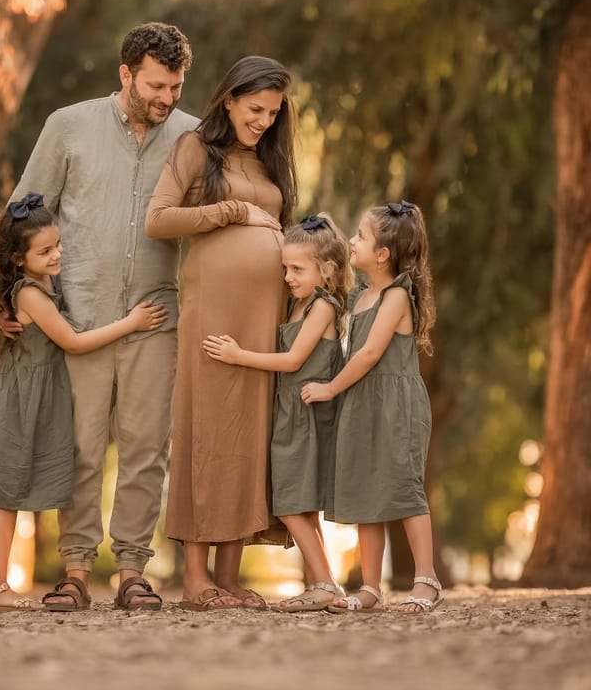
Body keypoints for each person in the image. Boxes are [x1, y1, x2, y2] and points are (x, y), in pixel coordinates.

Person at [8, 23, 196, 611]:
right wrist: (7, 296)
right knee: (82, 448)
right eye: (156, 85)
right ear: (126, 75)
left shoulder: (193, 137)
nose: (167, 98)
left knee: (147, 448)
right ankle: (75, 572)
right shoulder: (68, 126)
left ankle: (134, 570)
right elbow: (24, 214)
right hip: (79, 318)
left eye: (176, 86)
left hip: (158, 317)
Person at [0, 193, 167, 611]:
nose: (57, 255)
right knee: (3, 497)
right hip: (17, 406)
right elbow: (72, 341)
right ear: (19, 259)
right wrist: (131, 323)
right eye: (46, 250)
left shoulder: (21, 288)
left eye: (57, 245)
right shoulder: (31, 295)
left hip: (5, 398)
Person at [146, 55, 297, 611]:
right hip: (213, 309)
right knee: (207, 429)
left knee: (249, 433)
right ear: (229, 99)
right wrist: (231, 211)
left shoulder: (268, 161)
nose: (262, 120)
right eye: (255, 109)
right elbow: (159, 219)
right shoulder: (195, 149)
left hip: (264, 315)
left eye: (272, 113)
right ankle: (194, 580)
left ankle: (229, 577)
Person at [202, 212, 352, 612]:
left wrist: (237, 355)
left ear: (327, 270)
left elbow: (293, 361)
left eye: (297, 269)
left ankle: (323, 583)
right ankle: (327, 584)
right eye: (285, 267)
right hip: (289, 414)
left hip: (305, 416)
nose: (288, 277)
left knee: (289, 506)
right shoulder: (299, 304)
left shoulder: (322, 306)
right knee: (299, 505)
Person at [301, 200, 442, 614]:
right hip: (363, 400)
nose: (352, 241)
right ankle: (370, 586)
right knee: (366, 490)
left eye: (360, 236)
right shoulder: (364, 293)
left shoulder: (398, 294)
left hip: (395, 404)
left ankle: (427, 578)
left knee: (402, 485)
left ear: (382, 255)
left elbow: (367, 355)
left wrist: (329, 389)